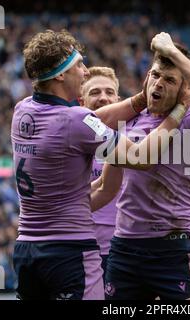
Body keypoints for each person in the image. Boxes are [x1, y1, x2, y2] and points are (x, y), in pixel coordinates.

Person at [11, 29, 190, 300]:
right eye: (79, 65)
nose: (84, 71)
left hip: (27, 251)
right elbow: (141, 158)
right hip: (68, 254)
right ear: (60, 75)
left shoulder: (22, 109)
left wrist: (139, 100)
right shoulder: (75, 120)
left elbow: (91, 121)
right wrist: (179, 112)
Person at [104, 32, 190, 300]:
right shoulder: (131, 117)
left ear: (186, 89)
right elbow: (89, 121)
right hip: (125, 246)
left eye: (170, 80)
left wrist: (172, 52)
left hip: (172, 247)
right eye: (156, 75)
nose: (159, 84)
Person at [79, 66, 121, 278]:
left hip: (127, 253)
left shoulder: (138, 140)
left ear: (119, 99)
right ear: (81, 101)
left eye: (109, 92)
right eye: (95, 92)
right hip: (82, 251)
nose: (103, 98)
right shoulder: (70, 145)